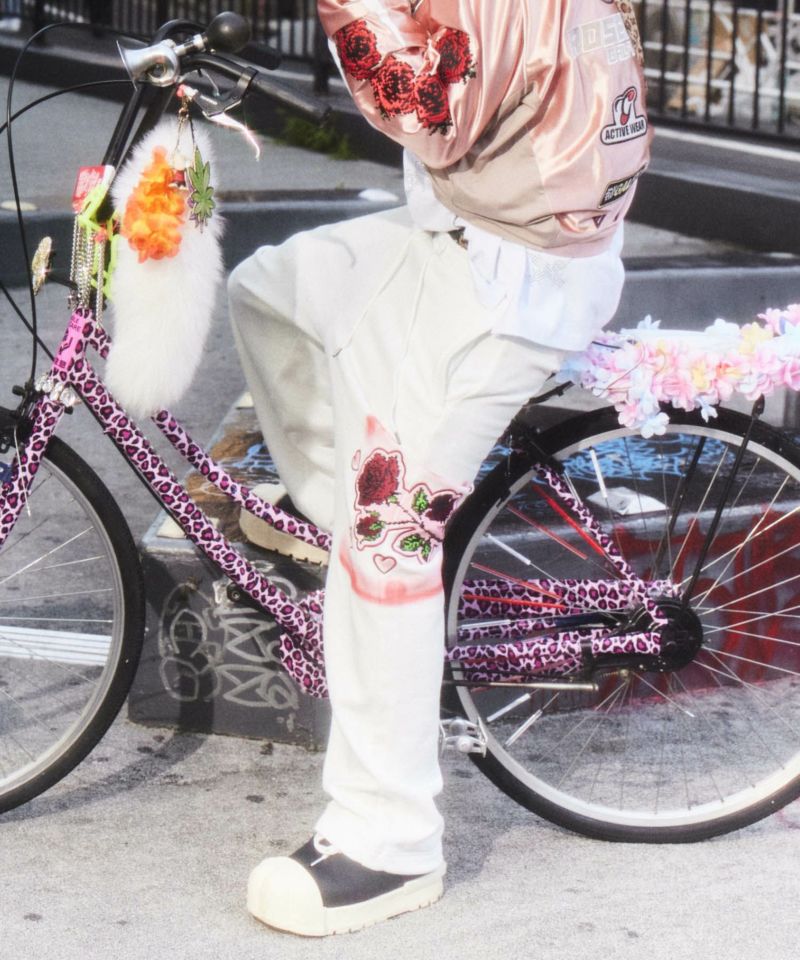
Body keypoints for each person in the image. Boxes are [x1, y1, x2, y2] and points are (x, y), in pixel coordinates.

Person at [228, 0, 651, 937]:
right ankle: (329, 520)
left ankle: (391, 845)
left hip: (510, 282)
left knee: (389, 543)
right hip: (473, 232)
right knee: (270, 288)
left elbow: (424, 105)